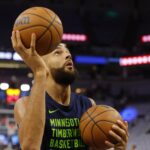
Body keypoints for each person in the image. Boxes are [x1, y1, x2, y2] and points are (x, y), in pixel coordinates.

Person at [11, 30, 129, 150]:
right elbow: (30, 147)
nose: (67, 55)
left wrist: (119, 149)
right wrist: (40, 73)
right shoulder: (24, 104)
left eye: (68, 52)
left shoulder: (88, 105)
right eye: (58, 52)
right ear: (41, 63)